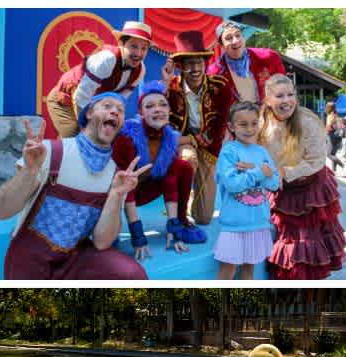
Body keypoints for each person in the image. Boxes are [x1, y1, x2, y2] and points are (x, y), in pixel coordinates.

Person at [0, 93, 150, 279]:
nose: (115, 112)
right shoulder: (50, 151)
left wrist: (116, 194)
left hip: (75, 260)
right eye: (107, 106)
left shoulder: (115, 175)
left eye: (120, 110)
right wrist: (29, 170)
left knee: (132, 274)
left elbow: (102, 242)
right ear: (89, 114)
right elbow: (3, 211)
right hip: (28, 260)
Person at [260, 74, 346, 279]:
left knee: (305, 242)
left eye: (290, 94)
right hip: (283, 188)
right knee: (286, 237)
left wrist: (284, 172)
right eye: (280, 96)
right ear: (268, 100)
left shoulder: (307, 121)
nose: (286, 100)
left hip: (310, 190)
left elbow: (316, 160)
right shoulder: (262, 122)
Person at [112, 80, 204, 260]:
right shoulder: (127, 138)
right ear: (140, 112)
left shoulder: (169, 138)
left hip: (146, 188)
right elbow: (124, 185)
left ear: (169, 111)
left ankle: (182, 221)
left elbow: (170, 181)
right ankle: (109, 229)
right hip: (119, 194)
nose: (158, 109)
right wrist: (137, 234)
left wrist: (174, 228)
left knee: (182, 166)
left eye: (163, 105)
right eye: (150, 106)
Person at [162, 30, 235, 225]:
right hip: (183, 142)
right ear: (181, 67)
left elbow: (222, 120)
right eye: (189, 64)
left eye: (198, 63)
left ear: (205, 64)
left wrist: (209, 138)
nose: (195, 69)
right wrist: (165, 83)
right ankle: (179, 210)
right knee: (188, 159)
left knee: (203, 218)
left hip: (209, 144)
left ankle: (194, 197)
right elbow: (154, 116)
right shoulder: (171, 87)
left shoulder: (220, 86)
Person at [46, 21, 151, 138]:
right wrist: (88, 127)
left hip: (91, 105)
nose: (138, 53)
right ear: (121, 43)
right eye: (133, 46)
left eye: (144, 48)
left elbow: (118, 101)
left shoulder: (140, 70)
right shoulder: (107, 59)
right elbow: (81, 97)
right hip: (65, 100)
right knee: (77, 139)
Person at [214, 101, 280, 280]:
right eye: (243, 124)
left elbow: (274, 184)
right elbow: (232, 184)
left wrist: (254, 169)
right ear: (232, 126)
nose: (249, 129)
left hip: (258, 223)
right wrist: (258, 172)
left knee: (249, 269)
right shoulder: (229, 151)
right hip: (234, 224)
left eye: (254, 123)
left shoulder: (262, 152)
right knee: (227, 270)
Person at [207, 21, 286, 104]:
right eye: (228, 38)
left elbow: (284, 87)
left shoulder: (268, 57)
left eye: (238, 35)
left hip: (267, 113)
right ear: (221, 45)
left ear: (243, 37)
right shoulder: (215, 73)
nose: (235, 41)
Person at [325, 102, 346, 170]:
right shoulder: (336, 115)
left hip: (331, 136)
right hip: (337, 136)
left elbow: (329, 126)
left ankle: (341, 164)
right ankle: (334, 170)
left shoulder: (330, 116)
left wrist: (324, 132)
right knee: (333, 154)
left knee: (328, 154)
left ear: (328, 108)